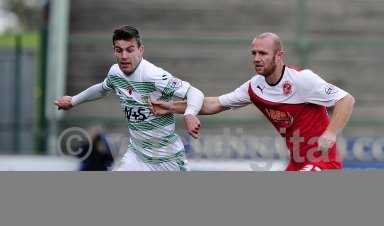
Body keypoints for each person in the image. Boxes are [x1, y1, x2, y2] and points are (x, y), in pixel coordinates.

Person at [151, 32, 355, 171]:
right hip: (297, 162)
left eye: (263, 53)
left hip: (323, 161)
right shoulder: (254, 87)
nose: (257, 58)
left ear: (279, 56)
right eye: (254, 53)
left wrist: (330, 133)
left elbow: (346, 100)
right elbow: (214, 104)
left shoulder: (302, 80)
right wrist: (171, 107)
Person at [54, 25, 203, 171]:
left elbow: (195, 93)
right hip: (136, 155)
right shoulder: (115, 73)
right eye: (119, 50)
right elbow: (101, 89)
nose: (124, 56)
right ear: (114, 51)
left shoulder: (153, 75)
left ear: (140, 50)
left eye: (130, 50)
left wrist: (190, 114)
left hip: (167, 158)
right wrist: (73, 101)